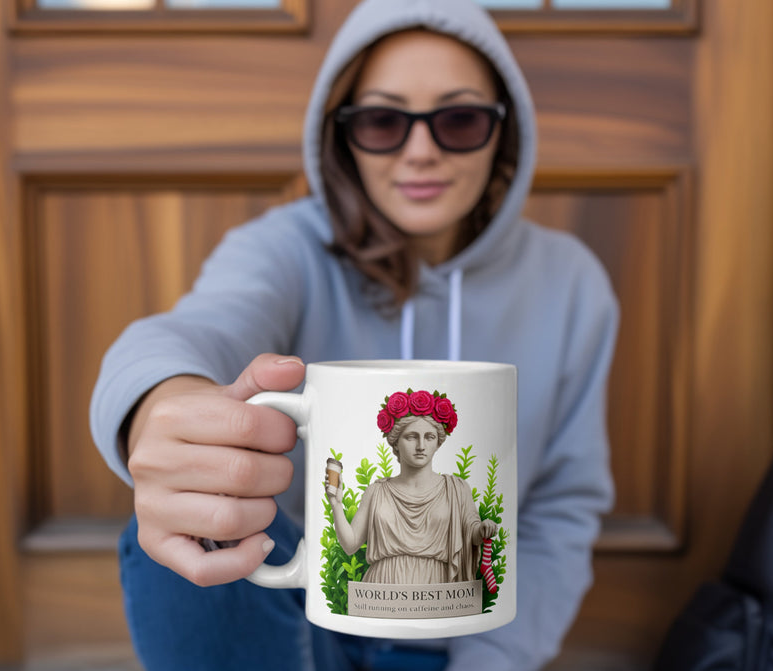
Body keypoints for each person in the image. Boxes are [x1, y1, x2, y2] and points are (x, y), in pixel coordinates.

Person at [90, 0, 619, 668]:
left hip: (464, 640)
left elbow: (559, 512)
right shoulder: (283, 250)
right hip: (303, 620)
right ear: (342, 135)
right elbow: (191, 330)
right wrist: (162, 409)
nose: (420, 151)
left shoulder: (571, 285)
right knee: (187, 515)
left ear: (502, 134)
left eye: (459, 119)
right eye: (382, 121)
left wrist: (494, 660)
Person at [325, 391, 498, 585]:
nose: (421, 446)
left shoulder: (456, 489)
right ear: (396, 442)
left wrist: (483, 529)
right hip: (384, 584)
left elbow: (471, 532)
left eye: (429, 437)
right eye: (411, 437)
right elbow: (350, 545)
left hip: (436, 585)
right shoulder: (377, 491)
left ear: (438, 443)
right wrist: (336, 503)